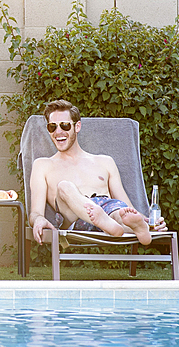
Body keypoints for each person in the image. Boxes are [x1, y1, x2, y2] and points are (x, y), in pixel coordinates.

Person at [29, 99, 167, 245]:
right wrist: (38, 220)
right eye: (52, 127)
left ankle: (138, 228)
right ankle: (107, 222)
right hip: (74, 218)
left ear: (77, 126)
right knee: (64, 186)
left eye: (64, 125)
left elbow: (127, 207)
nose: (58, 132)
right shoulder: (42, 165)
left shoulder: (105, 161)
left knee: (120, 213)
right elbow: (35, 212)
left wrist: (151, 222)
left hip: (107, 211)